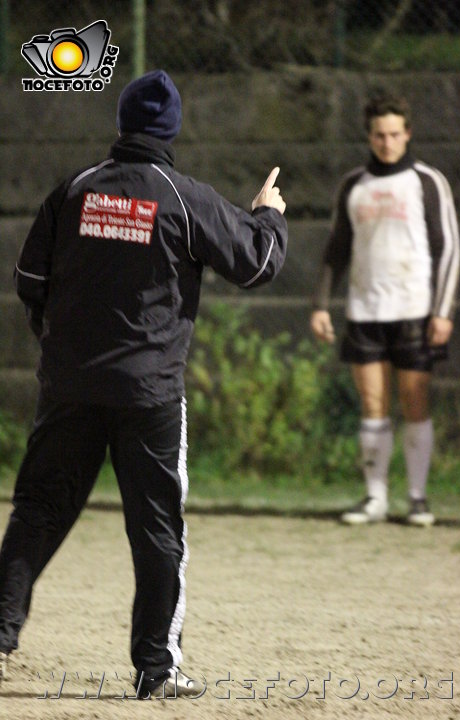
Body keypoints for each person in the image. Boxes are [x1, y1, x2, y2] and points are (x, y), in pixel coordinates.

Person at [0, 69, 287, 697]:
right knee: (157, 529)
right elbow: (257, 263)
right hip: (150, 396)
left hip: (70, 388)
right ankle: (156, 670)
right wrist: (268, 215)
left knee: (38, 511)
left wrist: (64, 348)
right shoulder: (185, 197)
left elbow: (31, 283)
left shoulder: (74, 190)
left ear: (121, 125)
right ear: (172, 130)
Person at [310, 93, 460, 527]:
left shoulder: (427, 181)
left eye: (395, 134)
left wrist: (443, 309)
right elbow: (336, 248)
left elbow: (447, 247)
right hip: (364, 308)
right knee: (372, 402)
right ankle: (375, 497)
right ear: (369, 136)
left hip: (414, 307)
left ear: (407, 133)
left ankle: (417, 497)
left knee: (414, 400)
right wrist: (320, 304)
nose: (387, 142)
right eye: (379, 134)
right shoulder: (353, 185)